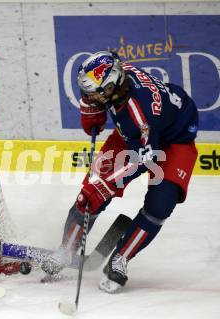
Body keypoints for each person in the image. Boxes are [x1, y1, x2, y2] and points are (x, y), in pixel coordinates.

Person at [45, 51, 198, 293]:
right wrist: (90, 108)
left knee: (160, 206)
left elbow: (144, 157)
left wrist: (106, 185)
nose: (90, 96)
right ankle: (66, 250)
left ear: (112, 84)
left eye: (95, 93)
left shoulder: (140, 114)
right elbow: (95, 95)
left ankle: (121, 259)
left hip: (173, 141)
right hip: (136, 135)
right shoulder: (114, 79)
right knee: (88, 197)